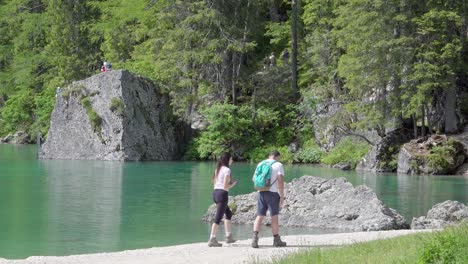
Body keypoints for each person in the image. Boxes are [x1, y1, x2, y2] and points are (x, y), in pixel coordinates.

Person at [251, 150, 287, 248]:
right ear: (277, 156)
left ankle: (254, 239)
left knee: (260, 215)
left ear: (269, 155)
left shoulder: (261, 163)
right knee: (274, 217)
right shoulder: (278, 165)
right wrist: (282, 196)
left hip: (261, 192)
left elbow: (253, 179)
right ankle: (276, 240)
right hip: (272, 193)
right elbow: (280, 181)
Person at [208, 152, 238, 247]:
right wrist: (233, 184)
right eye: (231, 159)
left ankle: (229, 236)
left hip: (215, 193)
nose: (232, 161)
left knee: (228, 213)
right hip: (222, 194)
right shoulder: (227, 170)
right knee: (218, 217)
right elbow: (225, 186)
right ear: (227, 160)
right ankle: (212, 239)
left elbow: (216, 182)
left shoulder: (218, 169)